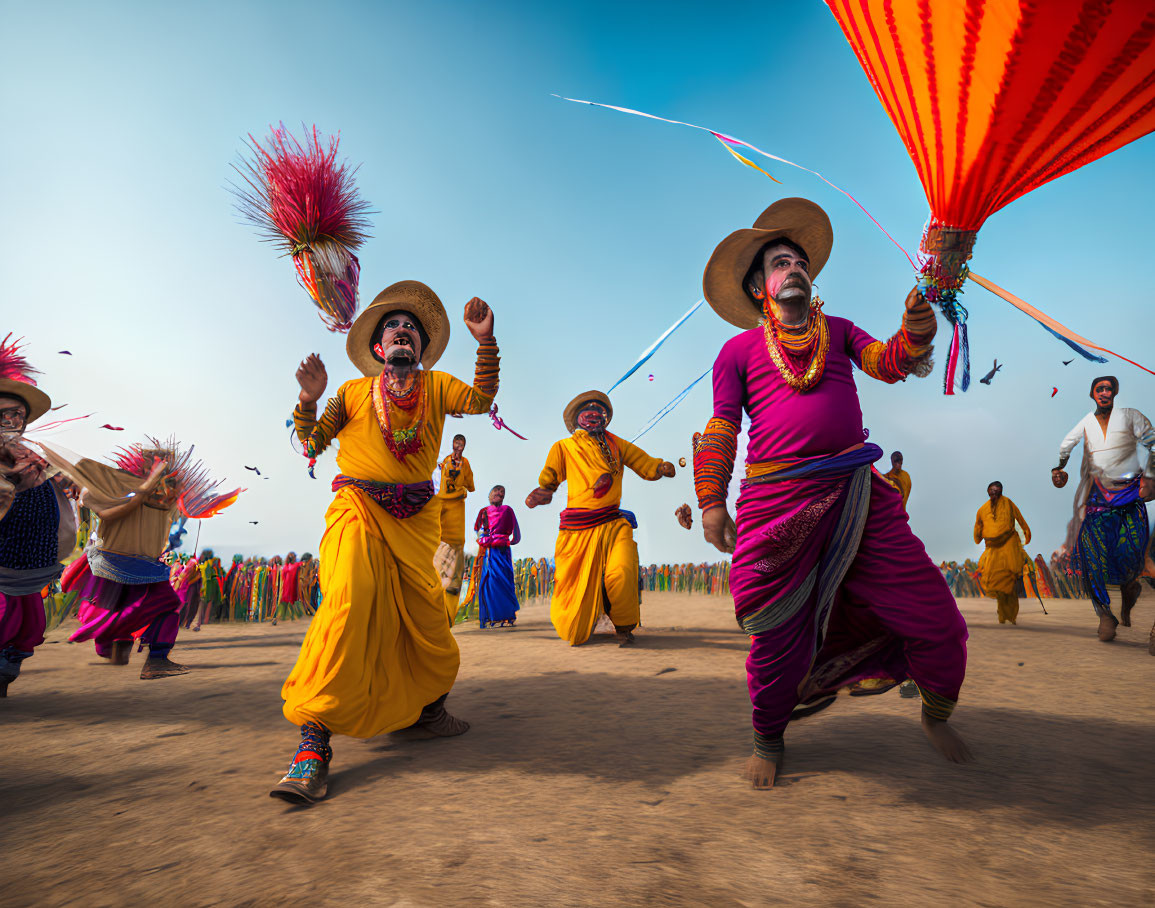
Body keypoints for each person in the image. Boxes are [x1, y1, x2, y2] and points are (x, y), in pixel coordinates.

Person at [693, 197, 970, 789]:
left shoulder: (839, 332)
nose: (791, 266)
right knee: (775, 641)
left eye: (796, 259)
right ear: (759, 289)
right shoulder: (736, 352)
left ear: (810, 278)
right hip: (774, 508)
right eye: (777, 263)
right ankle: (769, 737)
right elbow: (722, 425)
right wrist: (711, 497)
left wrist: (918, 323)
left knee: (938, 619)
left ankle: (935, 713)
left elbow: (891, 361)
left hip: (857, 496)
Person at [272, 281, 500, 804]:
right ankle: (313, 742)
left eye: (411, 330)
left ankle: (424, 710)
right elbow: (310, 444)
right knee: (349, 601)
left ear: (419, 349)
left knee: (429, 622)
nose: (402, 332)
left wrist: (485, 342)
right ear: (378, 349)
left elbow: (482, 398)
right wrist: (308, 400)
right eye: (392, 328)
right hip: (357, 508)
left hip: (418, 519)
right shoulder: (351, 393)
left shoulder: (439, 386)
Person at [43, 437, 240, 679]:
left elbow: (175, 516)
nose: (161, 468)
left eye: (166, 464)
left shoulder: (168, 495)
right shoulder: (115, 487)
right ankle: (133, 654)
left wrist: (182, 519)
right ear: (142, 465)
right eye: (156, 463)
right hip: (113, 562)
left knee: (160, 606)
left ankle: (154, 660)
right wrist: (141, 492)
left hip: (145, 565)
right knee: (116, 612)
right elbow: (104, 509)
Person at [526, 391, 675, 646]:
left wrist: (659, 467)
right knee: (573, 620)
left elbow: (642, 461)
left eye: (600, 411)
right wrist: (544, 492)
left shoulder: (617, 444)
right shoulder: (564, 447)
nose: (595, 414)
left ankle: (624, 625)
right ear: (577, 419)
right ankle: (582, 619)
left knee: (621, 573)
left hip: (615, 524)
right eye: (588, 410)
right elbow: (550, 477)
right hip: (577, 530)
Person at [1052, 376, 1155, 650]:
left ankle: (1130, 590)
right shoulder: (1086, 423)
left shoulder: (1132, 417)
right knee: (1092, 563)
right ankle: (1105, 616)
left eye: (1109, 389)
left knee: (1132, 561)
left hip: (1131, 500)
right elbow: (1066, 445)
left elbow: (1153, 443)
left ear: (1115, 393)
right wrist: (1058, 469)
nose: (1105, 393)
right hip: (1097, 504)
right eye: (1100, 389)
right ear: (1093, 394)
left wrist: (1151, 478)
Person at [0, 339, 77, 696]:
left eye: (17, 414)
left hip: (28, 567)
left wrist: (66, 481)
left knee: (26, 627)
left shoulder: (34, 455)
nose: (12, 419)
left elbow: (59, 478)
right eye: (3, 413)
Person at [459, 485, 522, 627]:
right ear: (490, 495)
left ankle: (493, 617)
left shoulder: (489, 511)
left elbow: (478, 531)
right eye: (496, 492)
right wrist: (511, 541)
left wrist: (486, 539)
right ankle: (504, 616)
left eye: (501, 493)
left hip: (494, 550)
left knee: (493, 582)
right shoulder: (499, 511)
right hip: (499, 550)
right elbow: (516, 533)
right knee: (500, 582)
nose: (498, 494)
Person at [973, 481, 1031, 625]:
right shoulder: (982, 509)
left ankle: (1011, 616)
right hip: (993, 549)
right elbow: (978, 528)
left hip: (1009, 546)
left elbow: (1020, 518)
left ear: (1001, 491)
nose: (994, 492)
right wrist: (978, 537)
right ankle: (1002, 614)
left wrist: (1026, 532)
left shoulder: (1009, 504)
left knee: (1009, 584)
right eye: (991, 490)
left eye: (996, 490)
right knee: (996, 583)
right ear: (988, 491)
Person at [434, 434, 474, 617]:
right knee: (441, 547)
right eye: (457, 443)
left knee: (456, 546)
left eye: (461, 444)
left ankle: (449, 613)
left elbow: (470, 484)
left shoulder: (464, 463)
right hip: (445, 508)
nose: (459, 446)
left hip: (456, 512)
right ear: (453, 444)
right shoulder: (446, 462)